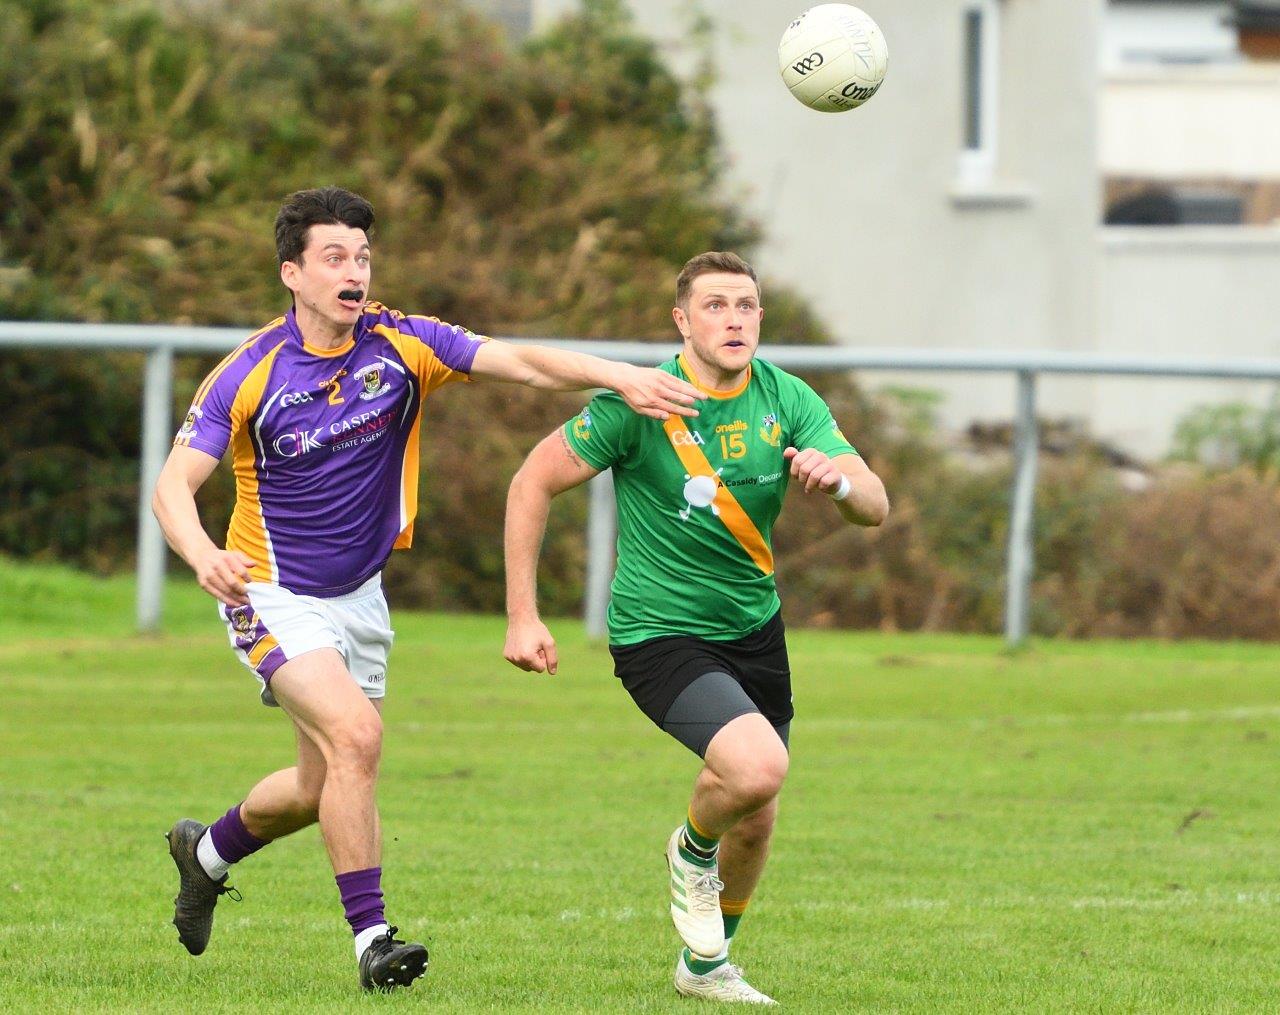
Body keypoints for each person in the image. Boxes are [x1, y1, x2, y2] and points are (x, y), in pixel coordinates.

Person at [152, 186, 702, 992]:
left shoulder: (403, 342)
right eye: (334, 256)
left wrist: (620, 375)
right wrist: (201, 554)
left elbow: (520, 361)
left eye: (363, 255)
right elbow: (173, 486)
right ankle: (373, 941)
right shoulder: (250, 371)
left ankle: (204, 854)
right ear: (292, 274)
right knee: (359, 742)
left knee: (319, 784)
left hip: (360, 596)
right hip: (268, 589)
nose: (354, 270)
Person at [503, 251, 888, 1005]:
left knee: (759, 812)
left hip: (754, 627)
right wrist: (523, 612)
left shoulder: (786, 396)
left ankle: (706, 968)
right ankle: (690, 850)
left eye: (746, 305)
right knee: (755, 769)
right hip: (659, 632)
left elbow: (874, 504)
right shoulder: (642, 400)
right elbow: (532, 481)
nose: (734, 318)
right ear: (682, 322)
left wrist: (836, 478)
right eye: (715, 305)